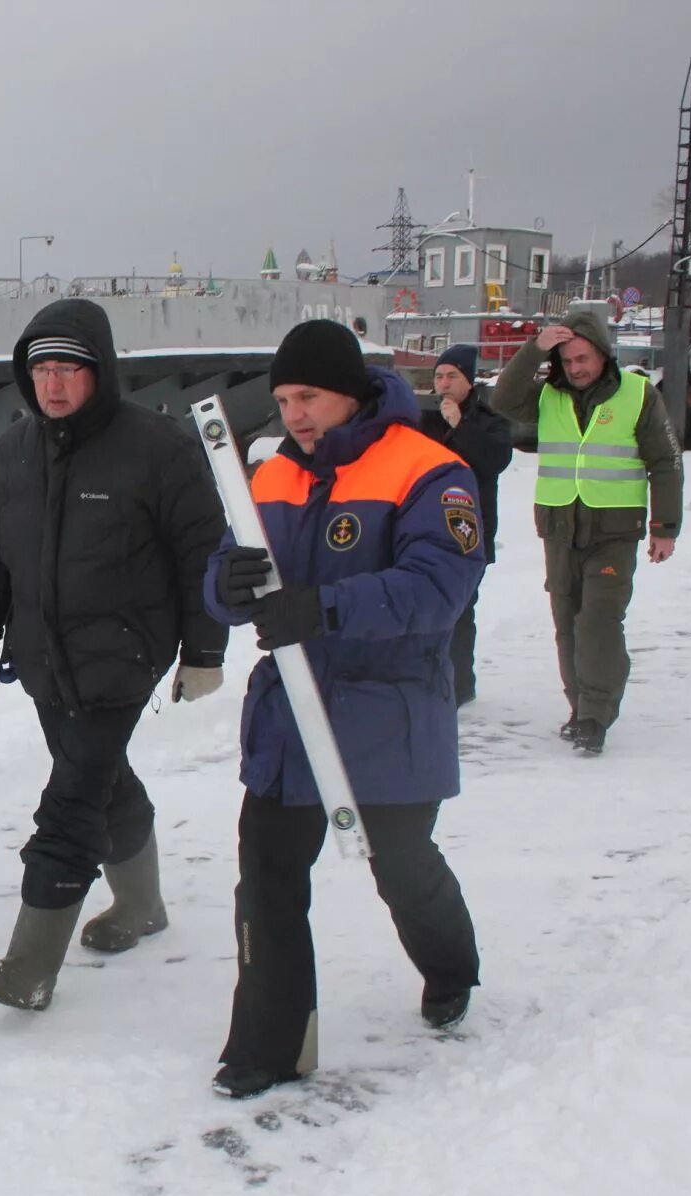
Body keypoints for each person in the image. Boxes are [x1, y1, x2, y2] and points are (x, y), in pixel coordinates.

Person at [204, 319, 485, 1100]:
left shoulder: (429, 470)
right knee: (265, 879)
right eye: (284, 398)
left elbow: (440, 589)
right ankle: (270, 1044)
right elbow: (228, 564)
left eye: (311, 396)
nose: (295, 413)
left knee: (402, 868)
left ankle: (451, 966)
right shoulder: (270, 475)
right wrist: (222, 587)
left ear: (352, 391)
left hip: (385, 715)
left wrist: (323, 608)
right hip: (289, 718)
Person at [0, 298, 229, 1011]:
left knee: (71, 803)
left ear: (100, 372)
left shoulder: (156, 447)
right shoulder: (14, 450)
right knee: (105, 782)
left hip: (121, 658)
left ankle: (29, 967)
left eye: (68, 369)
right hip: (46, 658)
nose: (52, 384)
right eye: (41, 369)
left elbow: (203, 551)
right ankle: (142, 907)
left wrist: (204, 650)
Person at [492, 308, 683, 755]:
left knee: (597, 620)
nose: (575, 368)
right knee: (567, 623)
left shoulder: (638, 394)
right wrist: (533, 349)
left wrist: (665, 526)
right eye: (567, 360)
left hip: (614, 530)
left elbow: (666, 462)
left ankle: (596, 714)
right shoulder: (547, 396)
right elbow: (502, 401)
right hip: (560, 527)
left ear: (602, 354)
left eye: (583, 358)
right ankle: (579, 709)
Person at [416, 344, 515, 705]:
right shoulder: (421, 417)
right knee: (425, 607)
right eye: (439, 376)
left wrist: (461, 425)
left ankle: (458, 684)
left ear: (468, 380)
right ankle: (428, 677)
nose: (443, 383)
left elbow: (494, 460)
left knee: (459, 610)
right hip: (425, 527)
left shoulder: (489, 419)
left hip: (469, 529)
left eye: (452, 376)